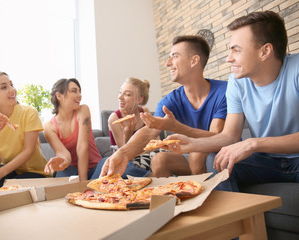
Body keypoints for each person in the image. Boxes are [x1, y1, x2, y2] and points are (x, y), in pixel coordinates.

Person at [163, 10, 299, 191]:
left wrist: (253, 143)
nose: (229, 59)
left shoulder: (296, 70)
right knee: (216, 159)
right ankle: (236, 219)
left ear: (265, 51)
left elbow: (244, 142)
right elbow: (229, 136)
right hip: (267, 161)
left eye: (236, 50)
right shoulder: (236, 83)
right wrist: (192, 143)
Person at [99, 35, 228, 178]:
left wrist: (176, 127)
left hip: (220, 153)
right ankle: (174, 197)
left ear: (194, 61)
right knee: (159, 160)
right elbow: (148, 132)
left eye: (175, 56)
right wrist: (122, 154)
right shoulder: (171, 100)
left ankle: (204, 197)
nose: (168, 63)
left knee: (197, 155)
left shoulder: (223, 92)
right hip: (190, 156)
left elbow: (217, 138)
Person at [43, 78, 106, 181]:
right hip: (72, 172)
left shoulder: (83, 110)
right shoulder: (49, 127)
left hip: (96, 170)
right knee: (64, 170)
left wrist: (83, 182)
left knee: (107, 161)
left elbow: (82, 147)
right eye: (74, 91)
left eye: (79, 91)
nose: (79, 95)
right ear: (59, 96)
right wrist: (62, 162)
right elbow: (64, 155)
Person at [108, 77, 153, 170]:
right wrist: (127, 134)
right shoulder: (114, 118)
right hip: (124, 158)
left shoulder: (144, 112)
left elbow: (156, 141)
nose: (119, 97)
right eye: (120, 92)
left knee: (163, 156)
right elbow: (124, 154)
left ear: (139, 99)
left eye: (127, 94)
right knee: (131, 166)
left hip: (146, 155)